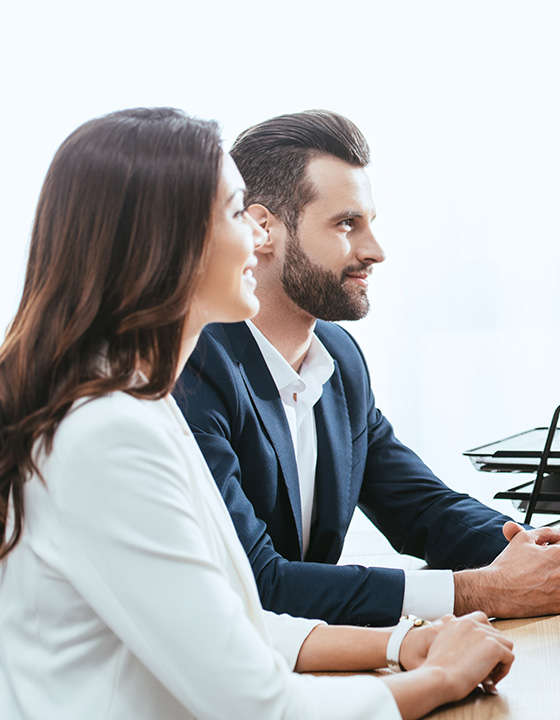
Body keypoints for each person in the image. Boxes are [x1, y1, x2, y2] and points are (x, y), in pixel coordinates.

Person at [0, 108, 514, 719]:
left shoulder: (139, 404)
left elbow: (231, 623)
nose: (254, 235)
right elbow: (259, 705)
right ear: (164, 241)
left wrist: (403, 642)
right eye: (235, 210)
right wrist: (443, 676)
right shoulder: (108, 432)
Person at [173, 110, 560, 627]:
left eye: (370, 223)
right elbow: (257, 584)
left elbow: (418, 507)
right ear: (263, 229)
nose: (375, 251)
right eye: (347, 224)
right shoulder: (193, 370)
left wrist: (526, 547)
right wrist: (480, 591)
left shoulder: (339, 358)